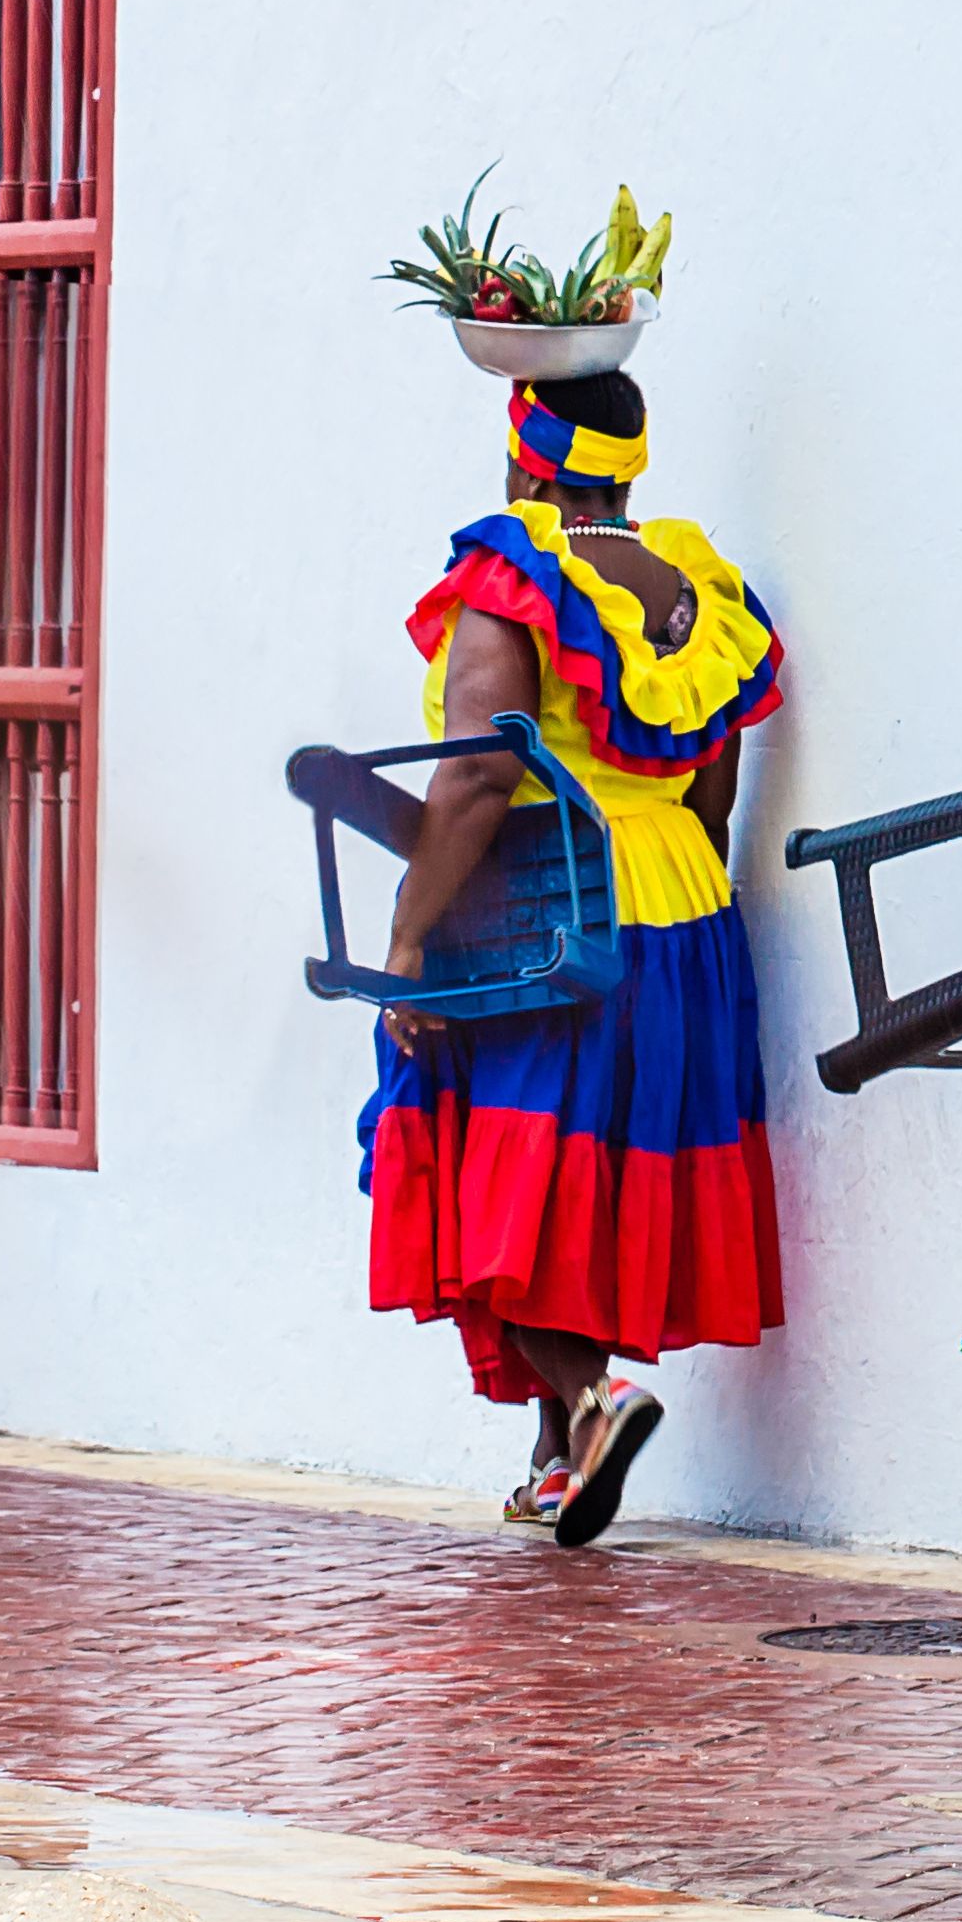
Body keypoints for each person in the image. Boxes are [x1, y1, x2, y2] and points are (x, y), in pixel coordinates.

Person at [359, 372, 786, 1548]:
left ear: (523, 456)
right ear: (626, 465)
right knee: (584, 1172)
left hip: (551, 904)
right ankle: (554, 1454)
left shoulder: (513, 580)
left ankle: (596, 1404)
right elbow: (713, 775)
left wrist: (408, 935)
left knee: (488, 1172)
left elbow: (478, 774)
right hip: (682, 903)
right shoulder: (696, 583)